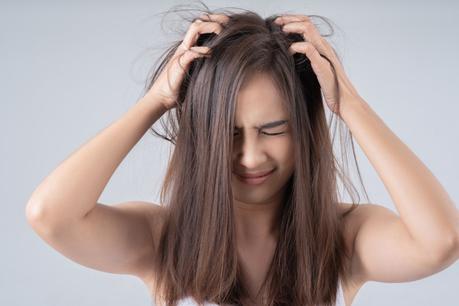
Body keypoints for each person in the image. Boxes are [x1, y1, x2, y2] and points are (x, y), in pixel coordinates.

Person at [25, 7, 459, 306]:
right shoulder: (163, 240)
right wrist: (157, 100)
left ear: (305, 129)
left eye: (274, 130)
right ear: (201, 137)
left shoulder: (343, 238)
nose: (251, 157)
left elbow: (440, 241)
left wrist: (350, 105)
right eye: (229, 134)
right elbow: (51, 215)